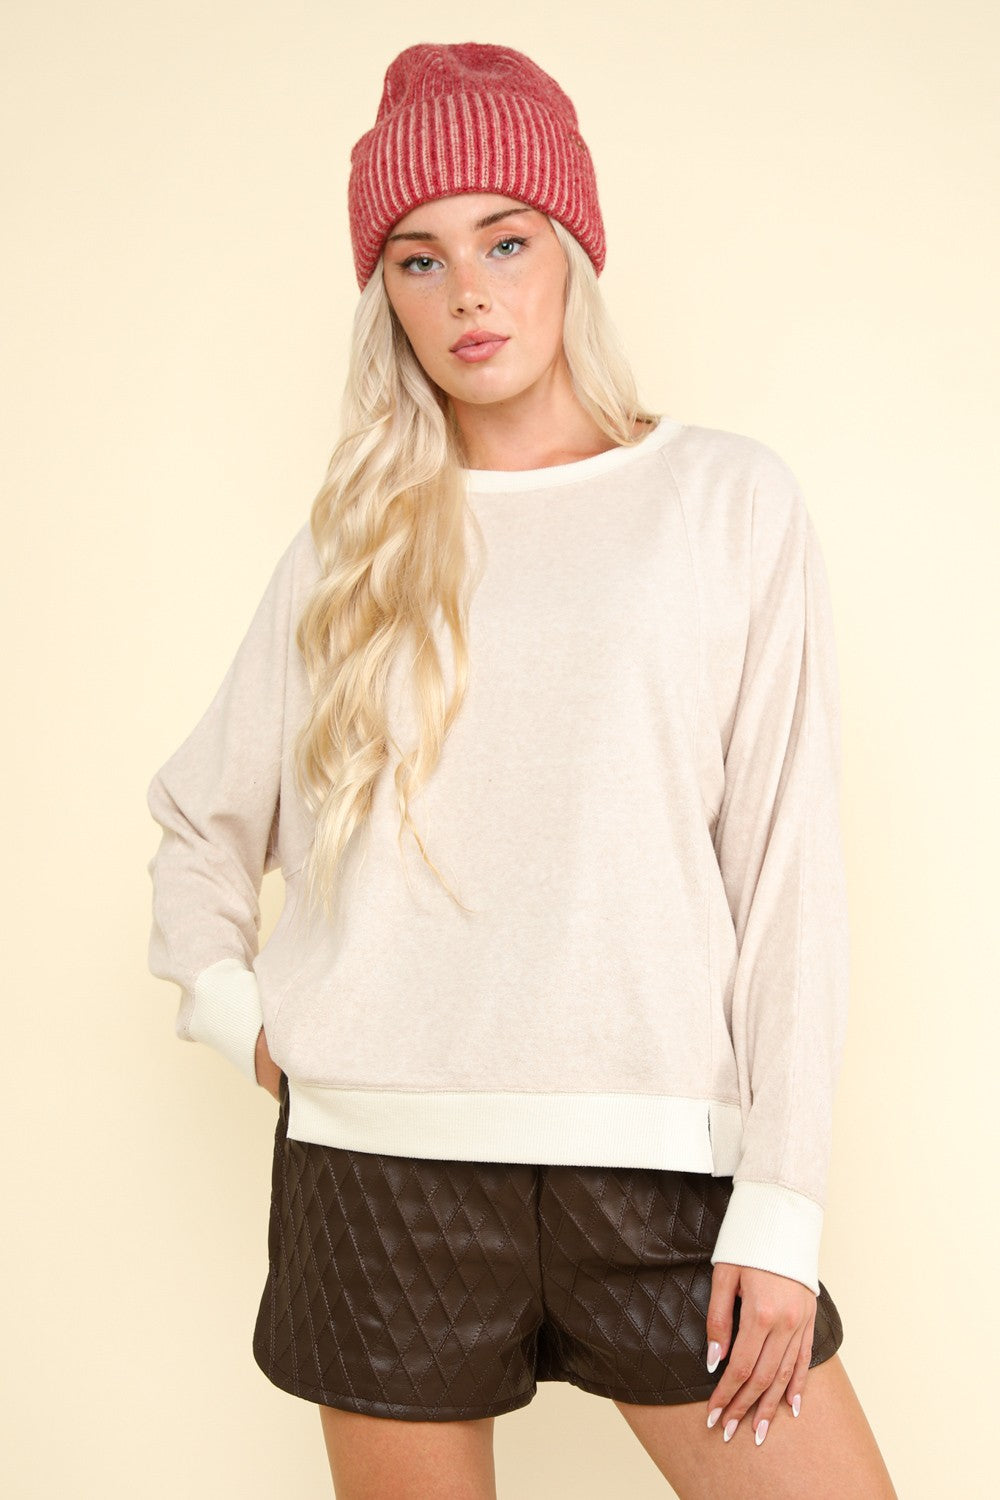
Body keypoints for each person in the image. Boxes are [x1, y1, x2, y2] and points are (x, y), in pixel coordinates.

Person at [144, 40, 897, 1500]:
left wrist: (783, 1204)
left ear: (572, 253)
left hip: (663, 1171)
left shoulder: (723, 502)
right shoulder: (352, 544)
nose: (467, 295)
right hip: (379, 1180)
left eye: (506, 241)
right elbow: (199, 820)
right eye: (417, 261)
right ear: (385, 297)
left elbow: (788, 876)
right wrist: (243, 1016)